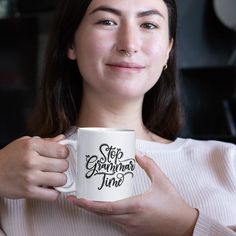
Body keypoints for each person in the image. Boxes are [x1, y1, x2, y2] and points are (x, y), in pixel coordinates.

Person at [0, 0, 235, 235]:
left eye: (149, 25)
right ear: (71, 43)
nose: (129, 44)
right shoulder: (17, 177)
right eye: (107, 21)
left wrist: (185, 225)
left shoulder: (227, 162)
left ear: (168, 50)